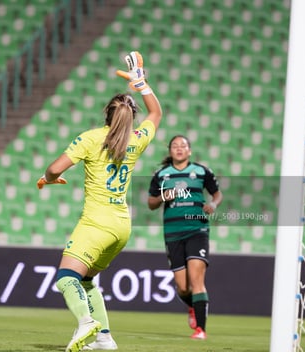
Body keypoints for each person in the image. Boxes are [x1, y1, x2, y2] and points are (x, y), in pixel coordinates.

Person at [37, 51, 162, 352]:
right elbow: (156, 114)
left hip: (96, 222)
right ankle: (105, 338)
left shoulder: (92, 138)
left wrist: (50, 179)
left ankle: (85, 323)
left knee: (66, 278)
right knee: (88, 281)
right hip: (121, 226)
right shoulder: (136, 140)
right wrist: (142, 85)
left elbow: (54, 168)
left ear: (106, 114)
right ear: (131, 118)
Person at [147, 135, 223, 340]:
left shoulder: (201, 171)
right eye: (175, 146)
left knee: (197, 280)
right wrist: (165, 196)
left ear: (189, 151)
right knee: (182, 287)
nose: (179, 149)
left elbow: (217, 194)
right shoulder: (161, 175)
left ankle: (201, 330)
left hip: (197, 229)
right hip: (173, 233)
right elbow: (151, 203)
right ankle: (192, 307)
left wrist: (213, 205)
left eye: (183, 146)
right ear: (170, 151)